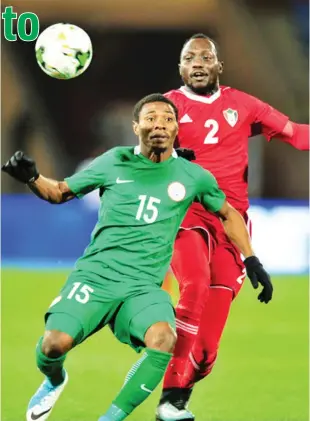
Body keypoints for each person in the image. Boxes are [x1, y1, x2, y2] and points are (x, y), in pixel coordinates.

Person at [1, 93, 272, 421]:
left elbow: (228, 214)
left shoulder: (193, 176)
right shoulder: (113, 161)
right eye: (151, 118)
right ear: (136, 127)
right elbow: (60, 192)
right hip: (96, 277)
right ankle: (54, 380)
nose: (159, 124)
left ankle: (110, 419)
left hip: (143, 289)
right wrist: (32, 177)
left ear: (176, 129)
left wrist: (251, 259)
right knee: (53, 346)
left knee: (163, 338)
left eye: (167, 119)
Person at [156, 34, 310, 421]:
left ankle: (181, 394)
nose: (198, 62)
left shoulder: (243, 105)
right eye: (189, 57)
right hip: (185, 217)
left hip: (231, 223)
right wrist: (168, 156)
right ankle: (168, 400)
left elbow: (294, 134)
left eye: (206, 56)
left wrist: (251, 256)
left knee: (206, 354)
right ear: (180, 68)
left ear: (218, 66)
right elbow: (145, 151)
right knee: (194, 284)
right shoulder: (166, 107)